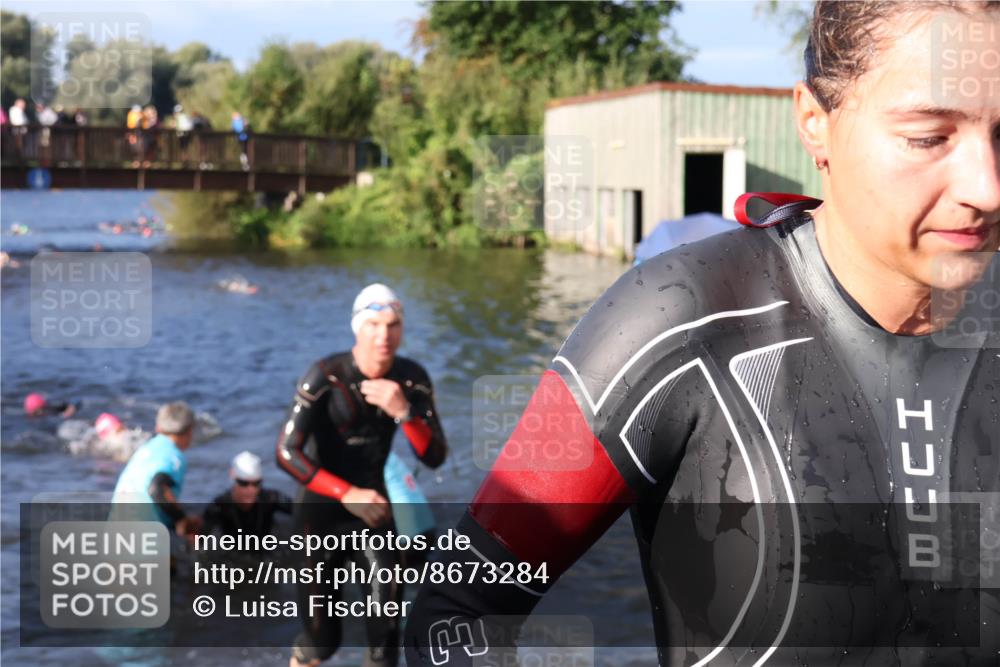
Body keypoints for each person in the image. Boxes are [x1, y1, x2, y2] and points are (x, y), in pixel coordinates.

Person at [404, 2, 1000, 666]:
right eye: (928, 136)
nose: (988, 186)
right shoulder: (675, 320)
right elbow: (456, 611)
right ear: (815, 121)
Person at [276, 283, 448, 667]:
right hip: (318, 519)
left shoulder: (411, 380)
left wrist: (405, 413)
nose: (383, 335)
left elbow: (435, 456)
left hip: (375, 516)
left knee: (385, 642)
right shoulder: (324, 377)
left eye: (393, 325)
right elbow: (287, 454)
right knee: (322, 642)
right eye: (373, 324)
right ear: (357, 327)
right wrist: (346, 493)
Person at [110, 402, 202, 538]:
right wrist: (182, 520)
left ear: (158, 427)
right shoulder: (173, 455)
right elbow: (157, 489)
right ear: (189, 431)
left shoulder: (146, 448)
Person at [202, 451, 293, 539]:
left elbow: (301, 510)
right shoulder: (219, 506)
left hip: (265, 550)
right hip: (232, 551)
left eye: (256, 483)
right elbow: (200, 539)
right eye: (243, 483)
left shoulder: (271, 498)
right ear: (234, 481)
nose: (251, 490)